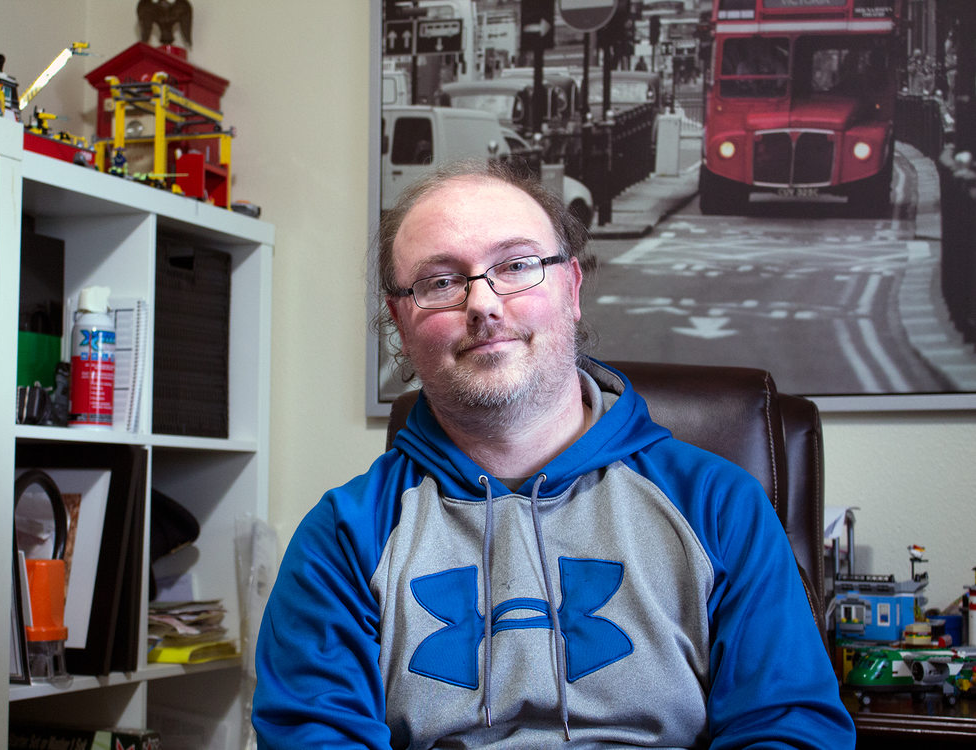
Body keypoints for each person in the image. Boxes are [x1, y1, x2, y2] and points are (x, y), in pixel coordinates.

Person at [252, 159, 855, 748]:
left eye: (516, 265)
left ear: (571, 287)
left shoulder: (720, 506)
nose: (483, 305)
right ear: (400, 322)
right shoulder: (342, 538)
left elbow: (790, 730)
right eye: (440, 281)